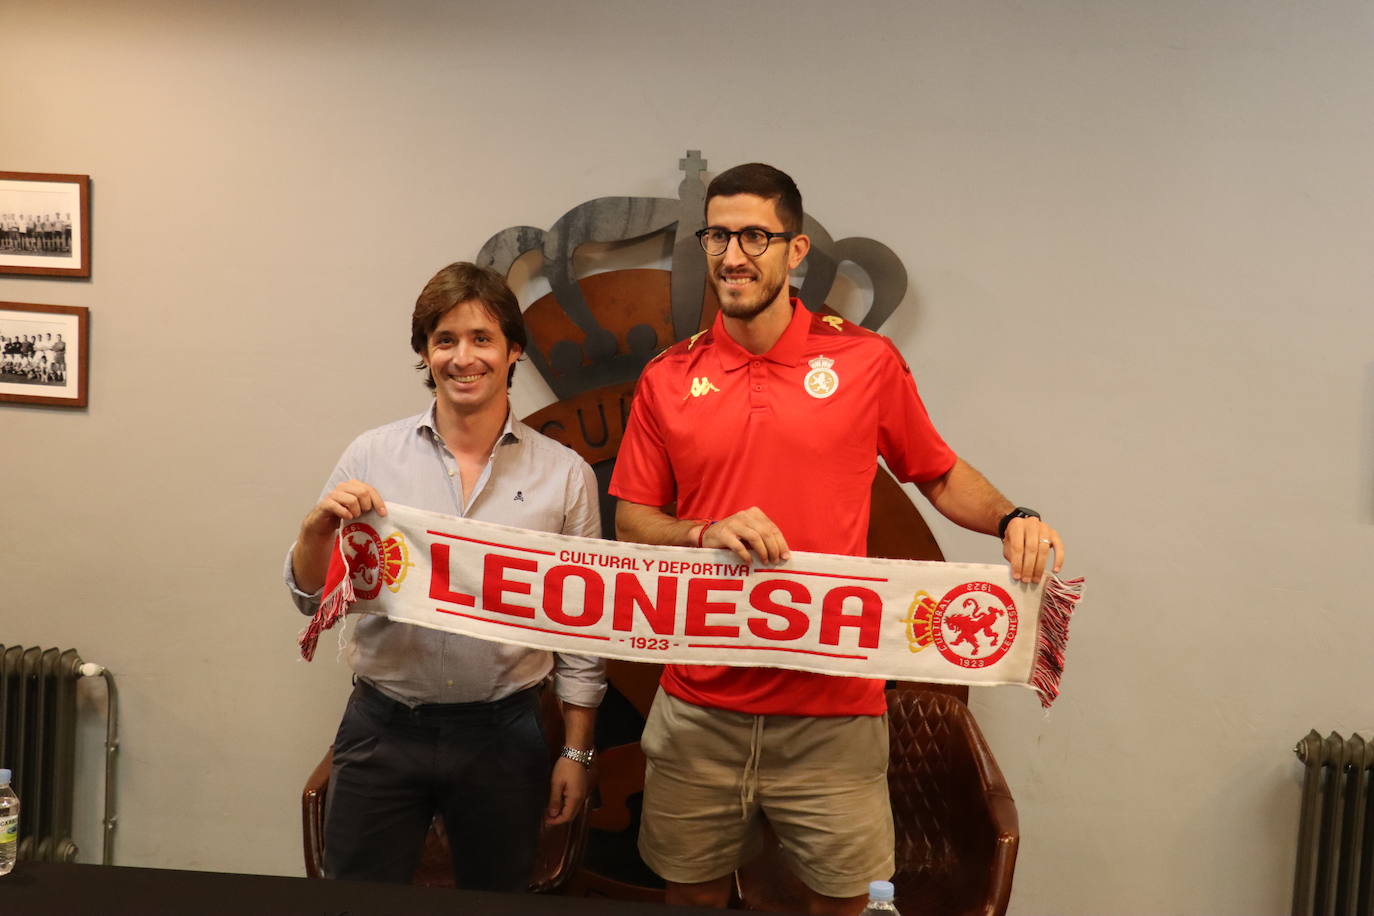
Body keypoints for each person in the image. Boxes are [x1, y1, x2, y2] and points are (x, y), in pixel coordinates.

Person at [610, 163, 1067, 915]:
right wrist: (703, 530)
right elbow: (633, 521)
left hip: (834, 711)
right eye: (719, 235)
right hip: (698, 708)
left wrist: (1015, 518)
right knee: (688, 898)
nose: (733, 255)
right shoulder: (669, 375)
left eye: (755, 235)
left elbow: (940, 473)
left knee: (842, 905)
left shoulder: (862, 362)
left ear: (795, 252)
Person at [284, 261, 605, 891]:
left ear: (514, 350)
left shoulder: (565, 476)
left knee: (499, 902)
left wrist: (576, 750)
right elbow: (307, 598)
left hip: (505, 734)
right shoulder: (371, 456)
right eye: (445, 340)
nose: (464, 357)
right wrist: (314, 532)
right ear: (426, 353)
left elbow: (583, 632)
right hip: (383, 725)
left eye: (482, 339)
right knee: (353, 901)